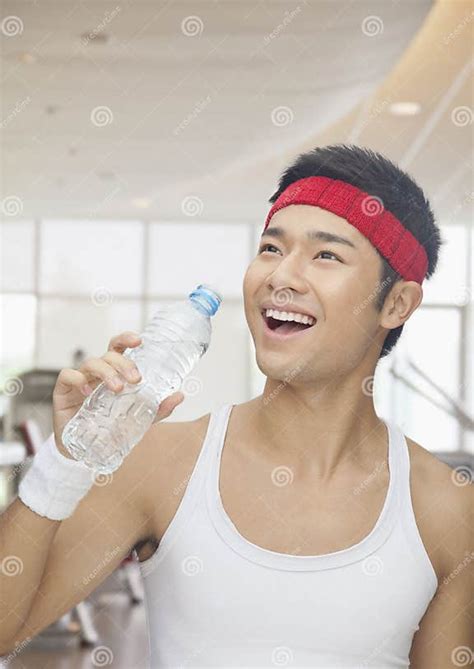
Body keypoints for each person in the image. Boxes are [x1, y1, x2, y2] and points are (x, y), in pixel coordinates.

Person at [0, 144, 472, 668]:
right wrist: (65, 464)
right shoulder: (162, 464)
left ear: (396, 303)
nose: (281, 277)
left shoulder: (447, 510)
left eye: (326, 255)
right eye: (271, 248)